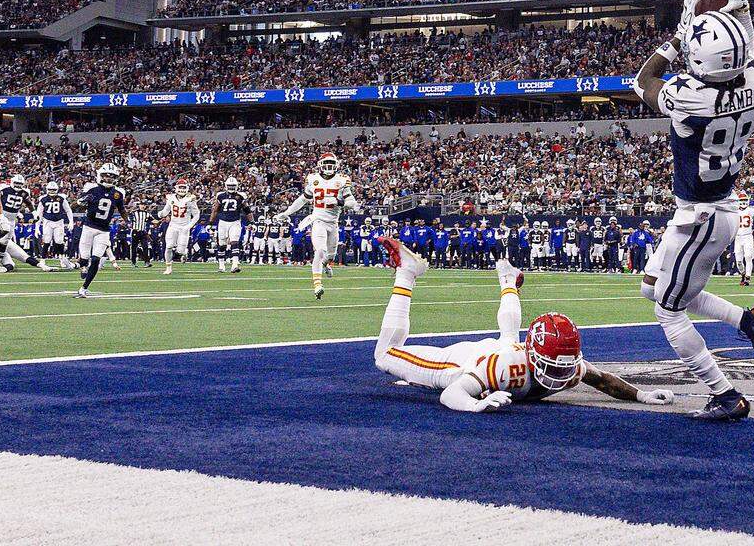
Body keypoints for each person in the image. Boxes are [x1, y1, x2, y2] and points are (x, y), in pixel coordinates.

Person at [631, 0, 754, 421]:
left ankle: (726, 393)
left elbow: (644, 80)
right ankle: (747, 320)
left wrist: (679, 36)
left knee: (668, 310)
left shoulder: (689, 97)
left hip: (704, 216)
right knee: (651, 287)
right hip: (711, 208)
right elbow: (745, 49)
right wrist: (741, 8)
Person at [372, 236, 673, 412]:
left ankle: (507, 278)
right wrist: (476, 404)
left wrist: (641, 395)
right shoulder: (506, 367)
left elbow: (603, 379)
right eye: (554, 365)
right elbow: (451, 394)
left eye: (562, 366)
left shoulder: (567, 366)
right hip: (462, 364)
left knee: (508, 337)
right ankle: (407, 274)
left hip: (503, 350)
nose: (559, 374)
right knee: (385, 355)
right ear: (533, 354)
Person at [276, 152, 359, 299]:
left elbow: (353, 203)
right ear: (320, 165)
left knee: (330, 256)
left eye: (332, 164)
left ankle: (327, 264)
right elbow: (302, 200)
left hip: (333, 224)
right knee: (320, 251)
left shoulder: (342, 180)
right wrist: (287, 212)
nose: (329, 167)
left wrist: (340, 202)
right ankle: (317, 285)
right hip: (318, 220)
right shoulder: (313, 179)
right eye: (326, 163)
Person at [73, 163, 127, 299]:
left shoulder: (118, 194)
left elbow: (122, 209)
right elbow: (74, 206)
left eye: (112, 177)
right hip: (88, 227)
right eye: (106, 176)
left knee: (96, 259)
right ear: (100, 176)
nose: (108, 179)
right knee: (84, 259)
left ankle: (84, 288)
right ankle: (82, 266)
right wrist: (82, 201)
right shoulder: (92, 190)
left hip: (103, 230)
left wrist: (128, 221)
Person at [159, 179, 200, 275]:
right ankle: (168, 267)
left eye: (183, 187)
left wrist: (189, 226)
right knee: (168, 246)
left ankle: (184, 253)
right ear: (176, 188)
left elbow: (197, 215)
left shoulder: (191, 199)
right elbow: (166, 211)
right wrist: (161, 214)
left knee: (180, 250)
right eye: (180, 187)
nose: (182, 189)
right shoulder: (171, 198)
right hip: (173, 225)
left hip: (184, 227)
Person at [210, 176, 249, 273]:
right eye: (230, 186)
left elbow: (247, 210)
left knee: (234, 242)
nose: (231, 188)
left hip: (235, 222)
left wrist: (251, 222)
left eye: (233, 186)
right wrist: (210, 222)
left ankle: (235, 265)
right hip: (223, 222)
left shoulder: (241, 196)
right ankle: (221, 266)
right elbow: (215, 210)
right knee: (222, 244)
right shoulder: (220, 196)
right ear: (226, 186)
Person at [733, 192, 754, 285]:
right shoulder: (734, 211)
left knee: (748, 257)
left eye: (745, 200)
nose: (743, 202)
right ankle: (743, 274)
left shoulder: (751, 210)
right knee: (739, 261)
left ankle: (748, 277)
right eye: (741, 200)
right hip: (737, 237)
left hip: (748, 236)